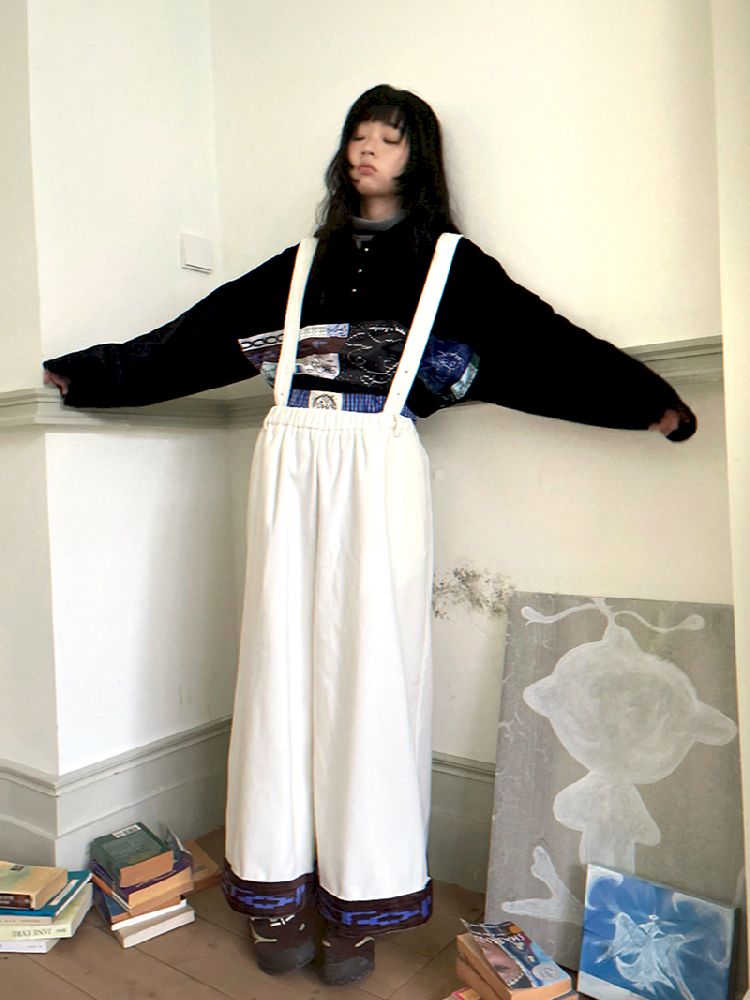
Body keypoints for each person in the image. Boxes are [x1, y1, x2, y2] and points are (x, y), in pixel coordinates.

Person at [43, 84, 696, 986]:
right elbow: (197, 336)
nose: (367, 150)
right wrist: (93, 375)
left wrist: (645, 401)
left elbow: (543, 343)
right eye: (358, 135)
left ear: (417, 157)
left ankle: (358, 903)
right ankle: (274, 892)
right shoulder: (300, 265)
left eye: (388, 139)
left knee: (372, 681)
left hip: (379, 465)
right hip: (288, 466)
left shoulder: (452, 267)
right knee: (277, 674)